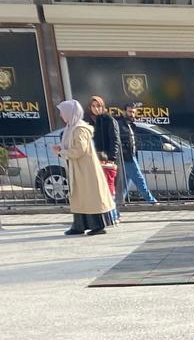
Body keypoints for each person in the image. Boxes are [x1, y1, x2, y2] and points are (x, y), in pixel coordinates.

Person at [57, 100, 113, 236]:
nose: (61, 115)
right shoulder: (71, 128)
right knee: (80, 197)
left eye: (62, 112)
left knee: (89, 197)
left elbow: (79, 150)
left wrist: (61, 152)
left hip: (86, 169)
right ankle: (79, 225)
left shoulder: (80, 129)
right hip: (78, 168)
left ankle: (97, 226)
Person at [87, 95, 124, 222]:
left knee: (112, 187)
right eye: (93, 106)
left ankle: (116, 214)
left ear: (103, 107)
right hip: (97, 158)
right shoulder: (90, 121)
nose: (96, 109)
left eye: (98, 106)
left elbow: (115, 140)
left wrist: (112, 158)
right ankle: (105, 215)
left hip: (109, 158)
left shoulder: (108, 119)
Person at [116, 102, 157, 204]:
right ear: (124, 111)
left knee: (125, 182)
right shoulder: (121, 124)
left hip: (130, 155)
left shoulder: (130, 125)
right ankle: (151, 200)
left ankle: (117, 202)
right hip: (127, 156)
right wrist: (126, 154)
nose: (132, 114)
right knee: (139, 179)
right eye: (130, 112)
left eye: (134, 112)